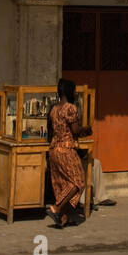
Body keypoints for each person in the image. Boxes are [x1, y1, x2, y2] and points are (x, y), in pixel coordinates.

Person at [45, 78, 92, 226]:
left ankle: (62, 218)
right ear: (70, 91)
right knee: (78, 182)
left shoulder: (53, 109)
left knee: (62, 184)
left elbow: (51, 131)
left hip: (54, 150)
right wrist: (86, 128)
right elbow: (75, 130)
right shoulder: (70, 108)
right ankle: (56, 208)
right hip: (66, 149)